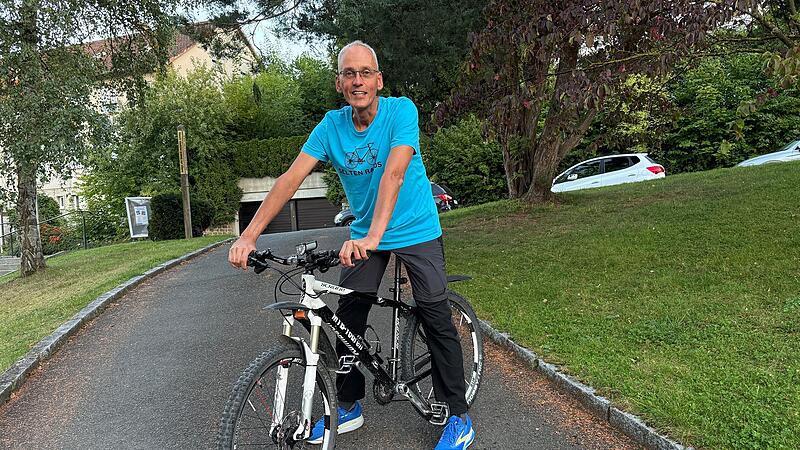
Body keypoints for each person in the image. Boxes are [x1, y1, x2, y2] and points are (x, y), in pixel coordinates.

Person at [228, 40, 474, 450]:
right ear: (339, 83)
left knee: (433, 311)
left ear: (378, 80)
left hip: (414, 227)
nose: (357, 81)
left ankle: (459, 415)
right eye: (349, 74)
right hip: (366, 233)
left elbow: (394, 174)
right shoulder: (331, 126)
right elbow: (290, 180)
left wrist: (374, 236)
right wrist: (249, 235)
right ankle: (348, 404)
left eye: (365, 73)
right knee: (349, 311)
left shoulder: (401, 111)